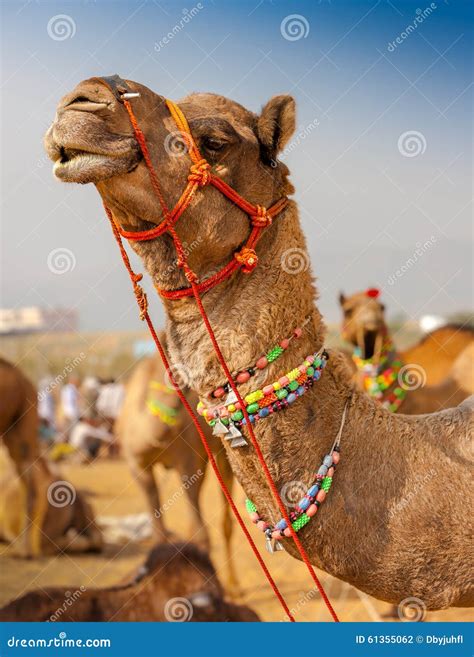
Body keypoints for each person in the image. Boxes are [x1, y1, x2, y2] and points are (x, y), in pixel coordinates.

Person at [60, 375, 80, 442]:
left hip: (66, 412)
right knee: (73, 429)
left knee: (66, 429)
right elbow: (76, 401)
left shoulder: (65, 389)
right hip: (72, 412)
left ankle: (65, 443)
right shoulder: (73, 388)